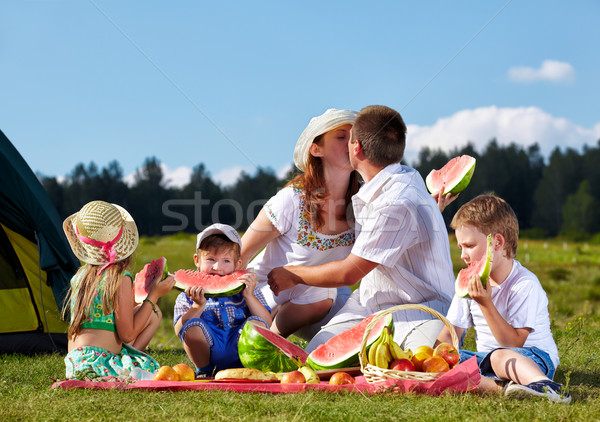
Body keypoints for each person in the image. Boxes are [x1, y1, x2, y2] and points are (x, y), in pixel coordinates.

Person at [267, 105, 456, 353]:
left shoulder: (395, 202)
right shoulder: (397, 184)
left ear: (356, 148)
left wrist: (293, 274)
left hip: (423, 311)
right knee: (317, 357)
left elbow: (350, 273)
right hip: (368, 308)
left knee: (421, 368)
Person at [435, 194, 570, 403]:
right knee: (448, 364)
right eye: (460, 247)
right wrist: (435, 357)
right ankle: (504, 388)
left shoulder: (525, 284)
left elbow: (513, 342)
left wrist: (486, 304)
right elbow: (451, 332)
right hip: (488, 362)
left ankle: (546, 387)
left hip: (532, 358)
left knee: (500, 355)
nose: (462, 255)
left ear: (497, 242)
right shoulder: (472, 280)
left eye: (469, 246)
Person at [240, 108, 360, 339]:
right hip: (266, 295)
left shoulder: (365, 201)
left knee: (357, 333)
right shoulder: (292, 200)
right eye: (341, 136)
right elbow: (241, 254)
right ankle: (269, 340)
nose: (351, 143)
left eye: (354, 137)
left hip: (323, 299)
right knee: (323, 292)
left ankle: (276, 341)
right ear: (316, 149)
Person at [62, 200, 175, 378]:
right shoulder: (121, 277)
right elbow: (127, 335)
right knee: (155, 312)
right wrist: (153, 295)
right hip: (101, 364)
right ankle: (130, 361)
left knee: (149, 312)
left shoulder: (79, 277)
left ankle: (125, 359)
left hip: (75, 363)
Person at [174, 224, 272, 377]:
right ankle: (205, 371)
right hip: (208, 351)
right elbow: (179, 329)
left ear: (238, 264)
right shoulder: (187, 295)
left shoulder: (248, 289)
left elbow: (267, 323)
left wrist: (249, 296)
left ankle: (247, 365)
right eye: (211, 259)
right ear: (197, 260)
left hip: (239, 347)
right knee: (191, 326)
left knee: (257, 323)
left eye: (226, 261)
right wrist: (197, 306)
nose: (217, 267)